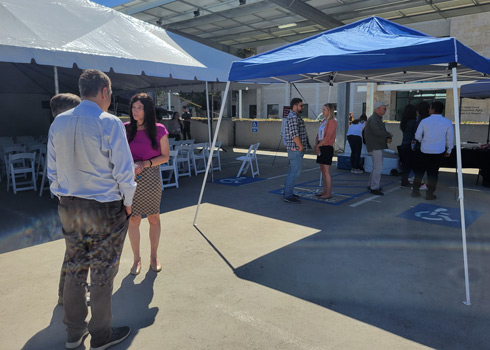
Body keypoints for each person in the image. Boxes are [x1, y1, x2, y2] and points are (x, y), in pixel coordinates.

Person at [47, 69, 136, 350]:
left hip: (69, 206)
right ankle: (101, 335)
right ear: (104, 92)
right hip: (104, 208)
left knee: (75, 269)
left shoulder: (58, 122)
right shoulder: (109, 123)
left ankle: (74, 334)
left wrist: (62, 194)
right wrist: (129, 203)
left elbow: (51, 169)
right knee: (102, 273)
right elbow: (124, 171)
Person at [125, 93, 170, 275]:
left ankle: (153, 256)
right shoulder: (125, 128)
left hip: (150, 175)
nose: (135, 111)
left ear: (147, 110)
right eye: (133, 107)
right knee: (133, 219)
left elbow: (165, 156)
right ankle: (136, 258)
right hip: (129, 177)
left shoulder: (159, 129)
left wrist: (145, 163)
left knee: (153, 217)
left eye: (139, 107)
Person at [49, 93, 82, 306]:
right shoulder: (67, 136)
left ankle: (64, 294)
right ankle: (71, 296)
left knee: (72, 250)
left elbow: (52, 173)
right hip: (77, 201)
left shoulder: (55, 133)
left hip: (65, 201)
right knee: (78, 252)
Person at [411, 101, 454, 200]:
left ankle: (415, 191)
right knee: (433, 174)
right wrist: (449, 150)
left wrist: (423, 141)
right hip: (438, 151)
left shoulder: (424, 121)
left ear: (433, 109)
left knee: (420, 172)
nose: (429, 110)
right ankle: (430, 194)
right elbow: (450, 138)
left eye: (430, 108)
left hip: (424, 150)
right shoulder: (447, 122)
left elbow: (417, 136)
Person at [364, 101, 393, 196]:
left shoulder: (375, 118)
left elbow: (378, 132)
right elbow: (378, 132)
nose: (385, 110)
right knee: (378, 167)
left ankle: (371, 185)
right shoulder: (374, 119)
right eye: (384, 108)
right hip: (375, 146)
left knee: (376, 167)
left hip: (375, 146)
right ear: (378, 109)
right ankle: (374, 187)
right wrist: (388, 134)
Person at [283, 98, 308, 203]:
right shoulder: (293, 117)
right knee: (294, 172)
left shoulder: (295, 116)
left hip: (295, 149)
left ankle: (288, 192)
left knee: (292, 172)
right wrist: (301, 147)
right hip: (296, 149)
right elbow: (294, 134)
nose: (302, 107)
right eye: (301, 105)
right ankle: (288, 195)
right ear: (295, 106)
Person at [315, 103, 337, 199]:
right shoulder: (324, 121)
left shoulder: (332, 121)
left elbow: (328, 137)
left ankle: (328, 192)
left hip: (327, 147)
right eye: (322, 109)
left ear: (329, 111)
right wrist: (317, 144)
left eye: (324, 110)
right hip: (321, 146)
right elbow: (318, 134)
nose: (322, 111)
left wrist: (318, 145)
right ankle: (325, 190)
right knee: (322, 170)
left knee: (326, 170)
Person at [398, 104, 417, 187]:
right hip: (410, 145)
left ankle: (404, 180)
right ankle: (408, 181)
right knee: (411, 165)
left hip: (403, 144)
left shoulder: (404, 122)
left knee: (405, 165)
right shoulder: (413, 122)